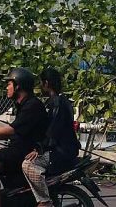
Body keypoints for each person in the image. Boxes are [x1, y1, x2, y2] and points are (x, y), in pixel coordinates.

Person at [0, 67, 48, 207]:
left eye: (9, 84)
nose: (6, 88)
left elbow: (12, 130)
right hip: (18, 149)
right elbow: (16, 132)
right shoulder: (23, 105)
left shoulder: (32, 105)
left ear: (18, 86)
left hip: (24, 152)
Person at [22, 68, 80, 207]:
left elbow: (53, 130)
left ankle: (44, 201)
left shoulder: (57, 103)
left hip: (60, 152)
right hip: (63, 150)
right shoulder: (56, 101)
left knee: (28, 164)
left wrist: (39, 148)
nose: (41, 86)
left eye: (41, 83)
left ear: (46, 83)